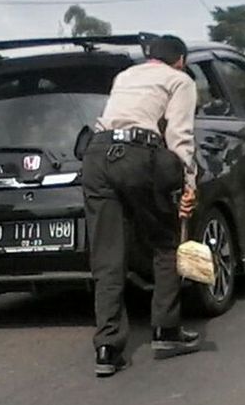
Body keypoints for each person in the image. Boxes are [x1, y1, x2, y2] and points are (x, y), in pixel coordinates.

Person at [81, 34, 200, 378]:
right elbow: (180, 137)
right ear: (180, 60)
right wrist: (188, 185)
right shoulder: (180, 81)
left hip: (97, 155)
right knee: (164, 241)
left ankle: (107, 348)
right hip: (136, 156)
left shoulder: (125, 76)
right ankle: (166, 330)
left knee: (106, 256)